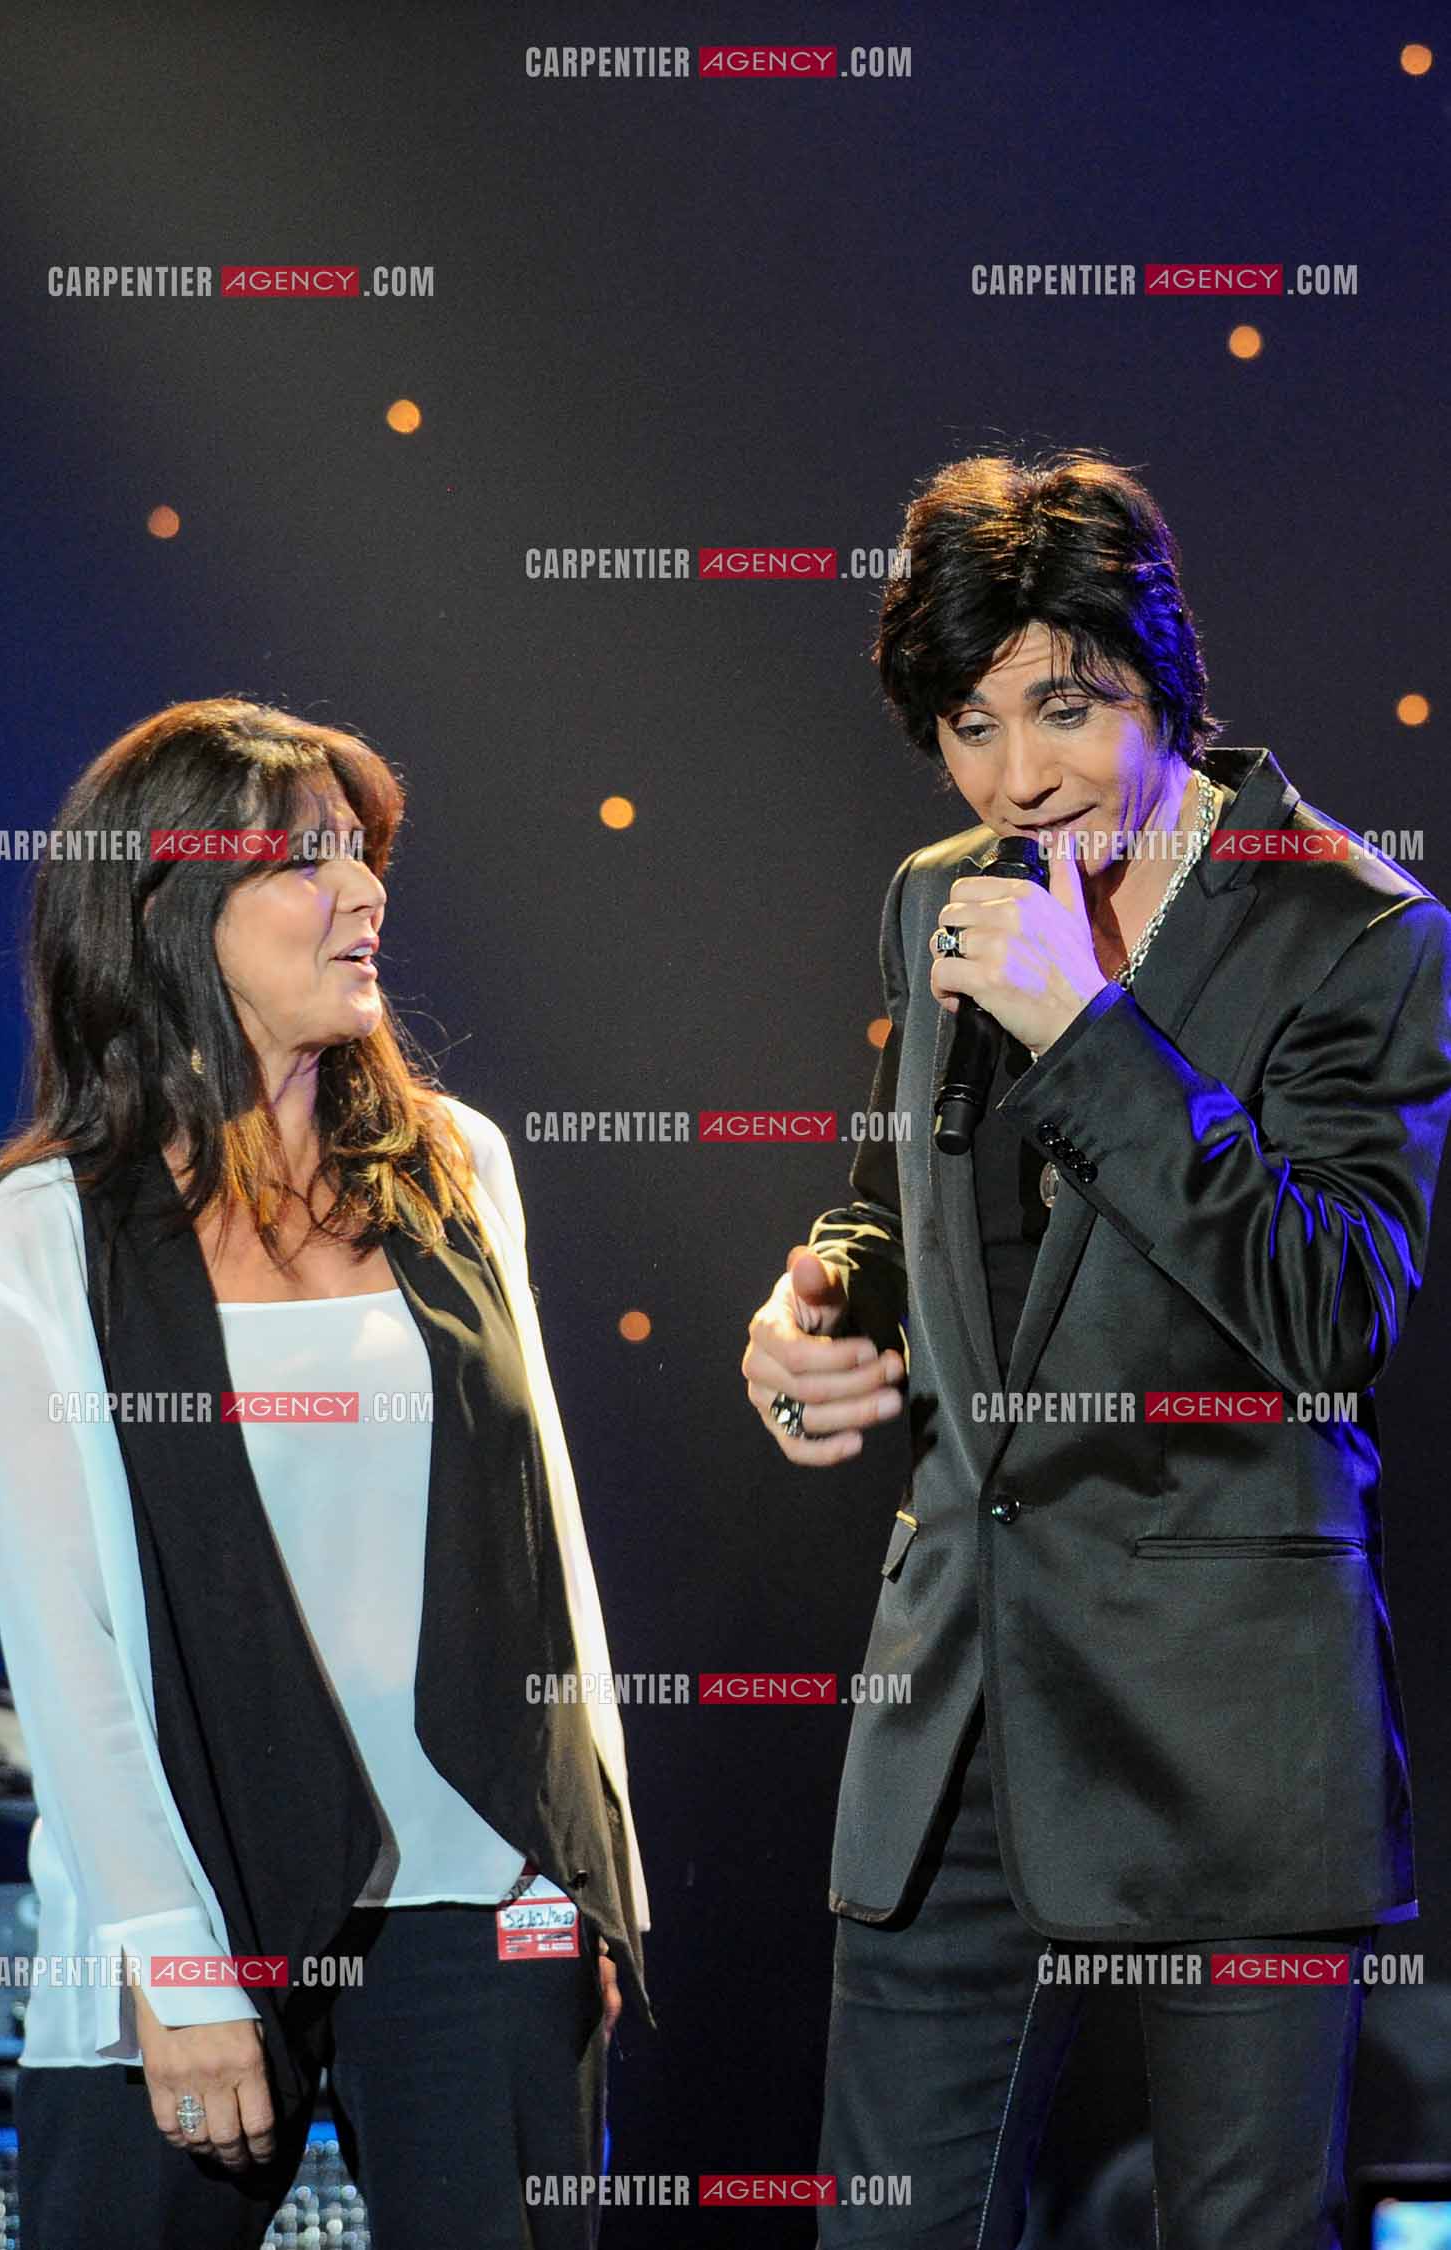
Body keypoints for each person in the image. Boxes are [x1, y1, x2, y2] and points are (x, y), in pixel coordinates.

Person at [741, 451, 1451, 2249]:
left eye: (1064, 708)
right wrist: (821, 1296)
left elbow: (1331, 1311)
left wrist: (1096, 1032)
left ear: (1162, 680)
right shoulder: (938, 894)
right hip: (959, 1700)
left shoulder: (1355, 925)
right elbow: (896, 1200)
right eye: (969, 729)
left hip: (1227, 1712)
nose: (1017, 775)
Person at [0, 697, 650, 2250]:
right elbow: (68, 1648)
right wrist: (170, 1955)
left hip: (482, 1894)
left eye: (364, 851)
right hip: (188, 1903)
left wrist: (587, 1867)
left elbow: (550, 1549)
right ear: (165, 910)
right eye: (305, 858)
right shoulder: (43, 1240)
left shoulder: (456, 1166)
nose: (366, 891)